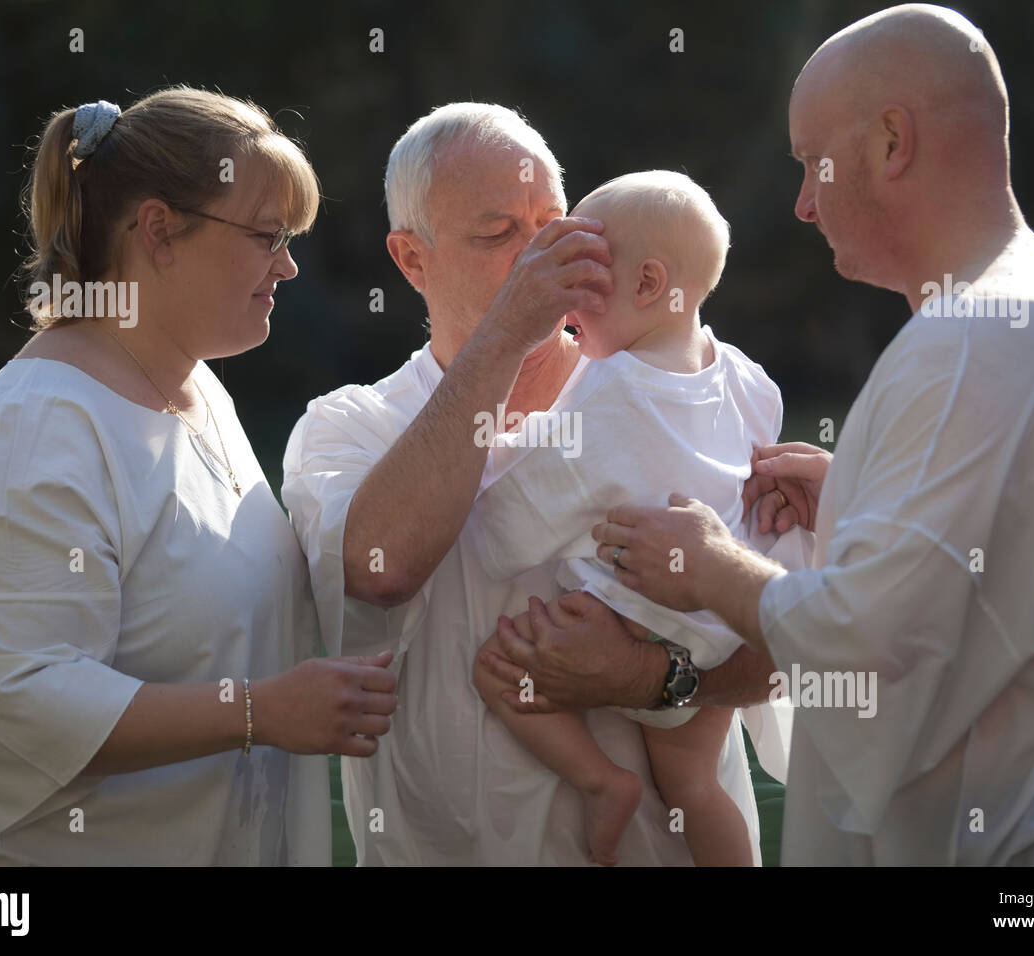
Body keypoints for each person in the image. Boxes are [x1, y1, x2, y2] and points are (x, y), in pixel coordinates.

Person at [480, 3, 1034, 865]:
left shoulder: (970, 344)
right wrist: (851, 498)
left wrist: (708, 566)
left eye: (816, 163)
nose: (804, 205)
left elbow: (867, 640)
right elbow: (1018, 582)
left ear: (891, 142)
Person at [0, 87, 396, 866]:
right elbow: (15, 704)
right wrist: (259, 712)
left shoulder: (196, 390)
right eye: (267, 236)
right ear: (159, 231)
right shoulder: (33, 432)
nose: (288, 266)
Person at [283, 104, 768, 865]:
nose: (542, 253)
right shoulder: (349, 426)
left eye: (553, 223)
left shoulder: (684, 390)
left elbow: (796, 640)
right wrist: (507, 332)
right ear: (413, 260)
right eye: (498, 234)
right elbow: (382, 569)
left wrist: (655, 678)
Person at [468, 170, 810, 865]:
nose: (564, 308)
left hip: (638, 617)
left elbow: (503, 523)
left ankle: (601, 783)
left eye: (583, 283)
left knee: (495, 672)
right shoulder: (746, 374)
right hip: (725, 624)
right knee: (693, 787)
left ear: (648, 285)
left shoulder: (608, 390)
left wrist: (498, 443)